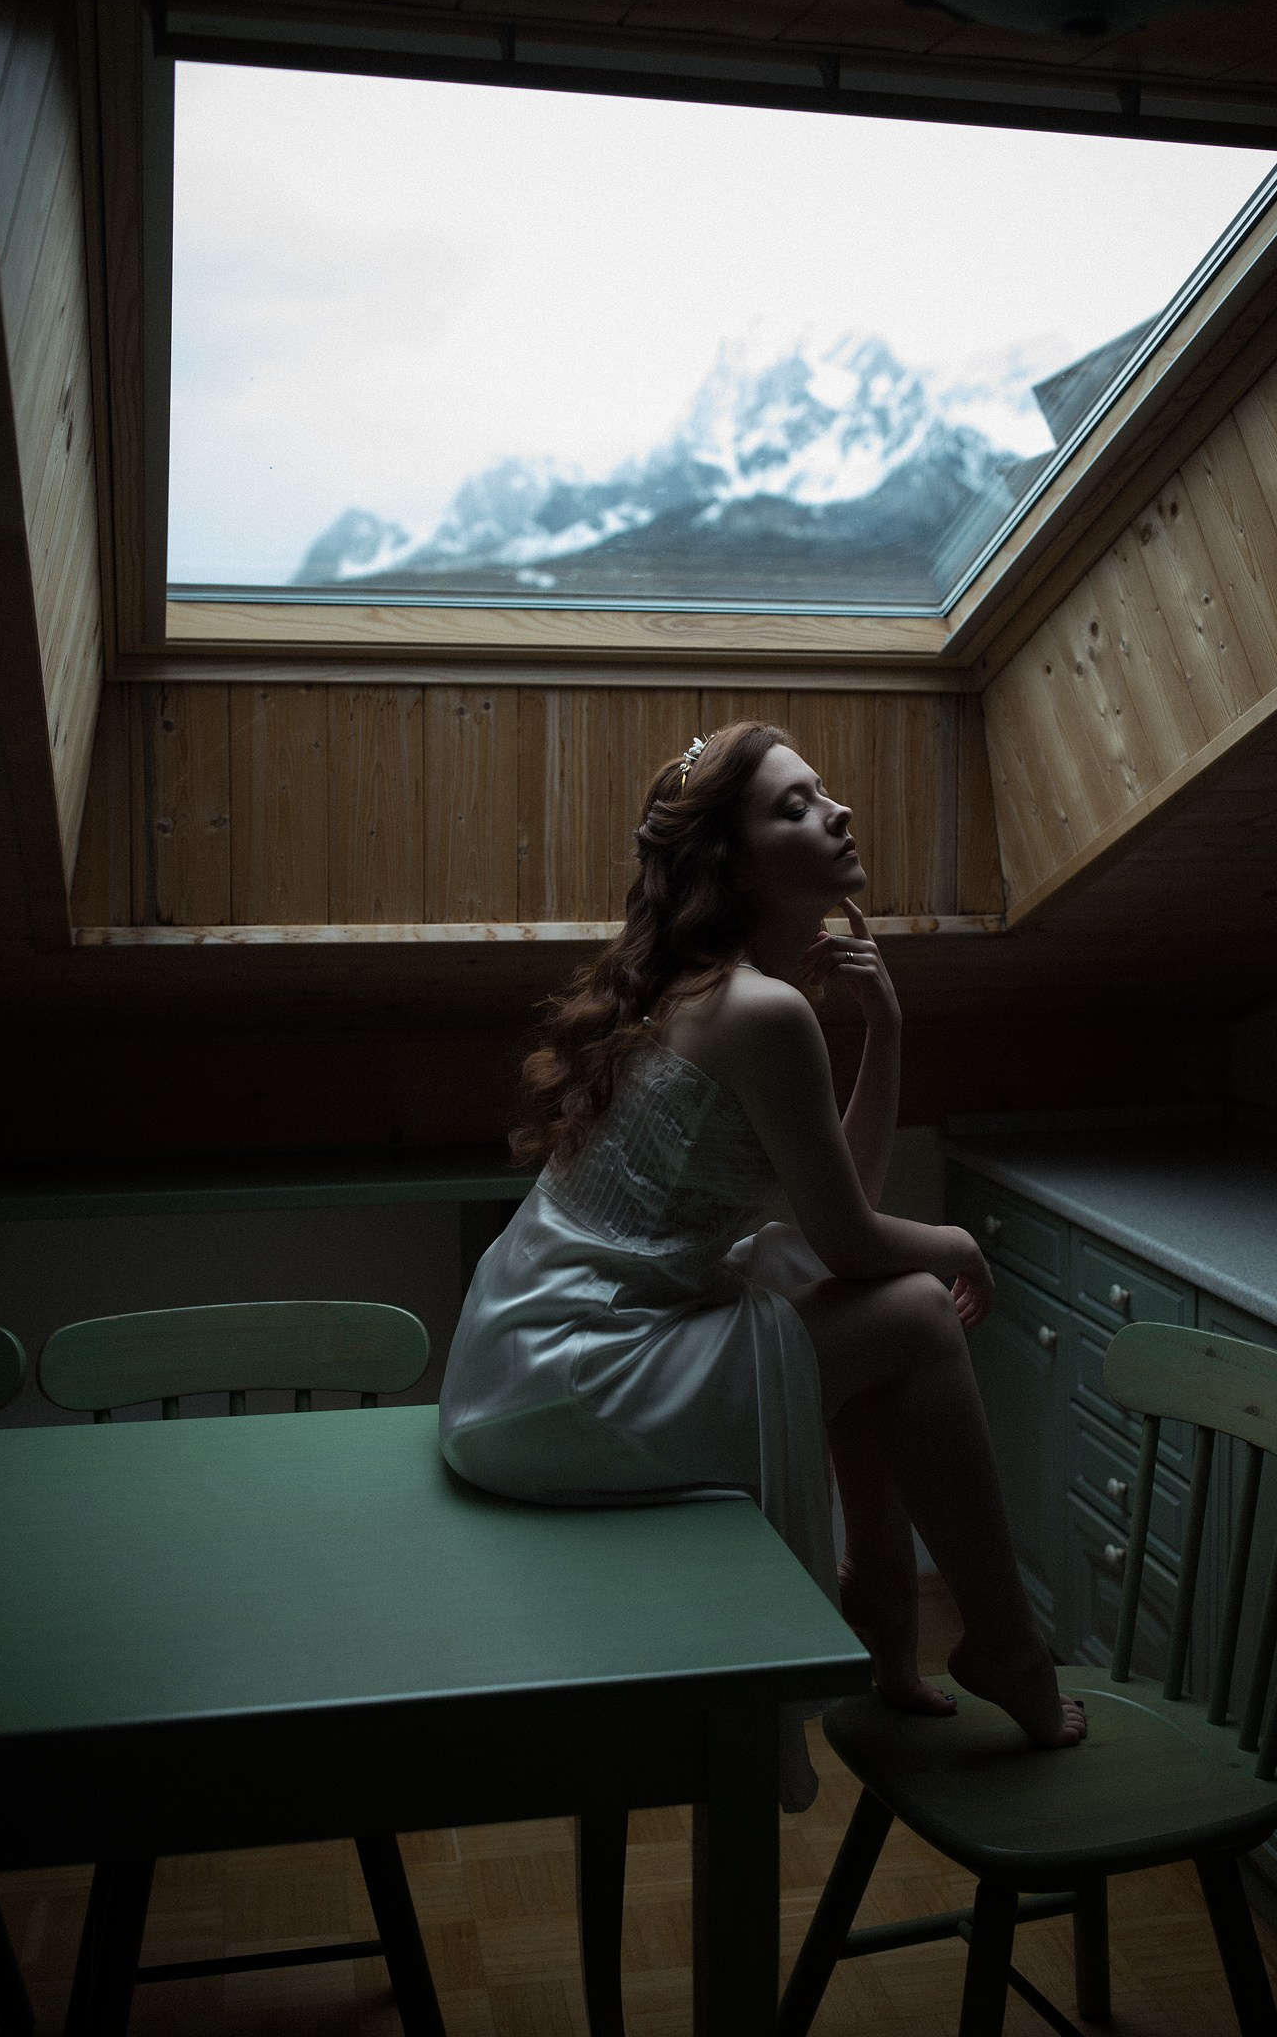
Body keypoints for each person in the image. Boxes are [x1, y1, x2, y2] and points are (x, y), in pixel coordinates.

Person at [439, 720, 1085, 1807]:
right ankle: (1000, 1639)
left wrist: (882, 1027)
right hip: (569, 1379)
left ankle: (880, 1598)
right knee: (918, 1309)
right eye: (792, 806)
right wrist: (963, 1240)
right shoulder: (756, 1010)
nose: (832, 811)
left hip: (524, 1353)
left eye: (822, 792)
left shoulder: (712, 991)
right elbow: (865, 1241)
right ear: (733, 863)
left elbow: (846, 1224)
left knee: (811, 1276)